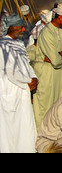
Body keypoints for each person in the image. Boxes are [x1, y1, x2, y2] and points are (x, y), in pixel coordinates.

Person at [32, 3, 62, 131]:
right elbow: (56, 60)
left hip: (59, 76)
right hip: (46, 76)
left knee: (58, 108)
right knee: (44, 110)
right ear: (61, 17)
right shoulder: (46, 33)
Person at [0, 14, 38, 152]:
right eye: (20, 27)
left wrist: (34, 78)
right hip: (11, 89)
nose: (23, 30)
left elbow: (26, 65)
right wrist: (26, 83)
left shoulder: (18, 43)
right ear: (12, 28)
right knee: (11, 127)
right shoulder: (3, 45)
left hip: (23, 89)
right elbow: (10, 71)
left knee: (25, 123)